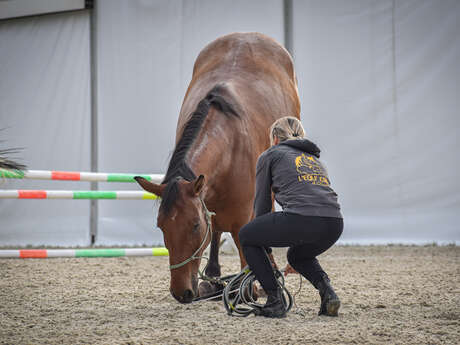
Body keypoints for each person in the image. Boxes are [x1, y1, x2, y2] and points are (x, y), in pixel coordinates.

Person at [239, 116, 343, 318]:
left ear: (275, 139)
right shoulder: (315, 159)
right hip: (334, 223)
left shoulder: (270, 155)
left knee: (246, 235)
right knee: (297, 256)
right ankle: (328, 294)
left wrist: (263, 245)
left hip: (302, 218)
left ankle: (275, 300)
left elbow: (262, 202)